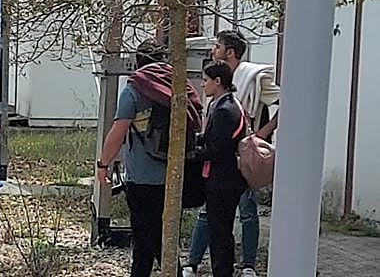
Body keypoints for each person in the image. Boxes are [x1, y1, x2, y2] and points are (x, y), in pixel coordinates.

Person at [96, 40, 201, 277]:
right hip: (174, 177)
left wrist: (103, 164)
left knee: (148, 238)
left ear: (138, 61)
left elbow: (118, 132)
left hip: (142, 179)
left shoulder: (134, 89)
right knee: (157, 238)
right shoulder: (178, 85)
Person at [183, 30, 280, 277]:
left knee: (230, 224)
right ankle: (193, 262)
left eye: (217, 46)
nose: (202, 84)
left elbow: (218, 148)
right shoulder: (223, 102)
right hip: (222, 176)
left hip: (227, 175)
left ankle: (241, 266)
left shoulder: (230, 103)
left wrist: (260, 134)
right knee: (214, 223)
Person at [194, 61, 250, 277]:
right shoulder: (218, 104)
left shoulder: (227, 109)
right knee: (218, 229)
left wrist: (190, 154)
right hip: (217, 177)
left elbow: (217, 149)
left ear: (218, 82)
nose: (203, 84)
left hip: (224, 179)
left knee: (220, 231)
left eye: (206, 80)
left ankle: (223, 272)